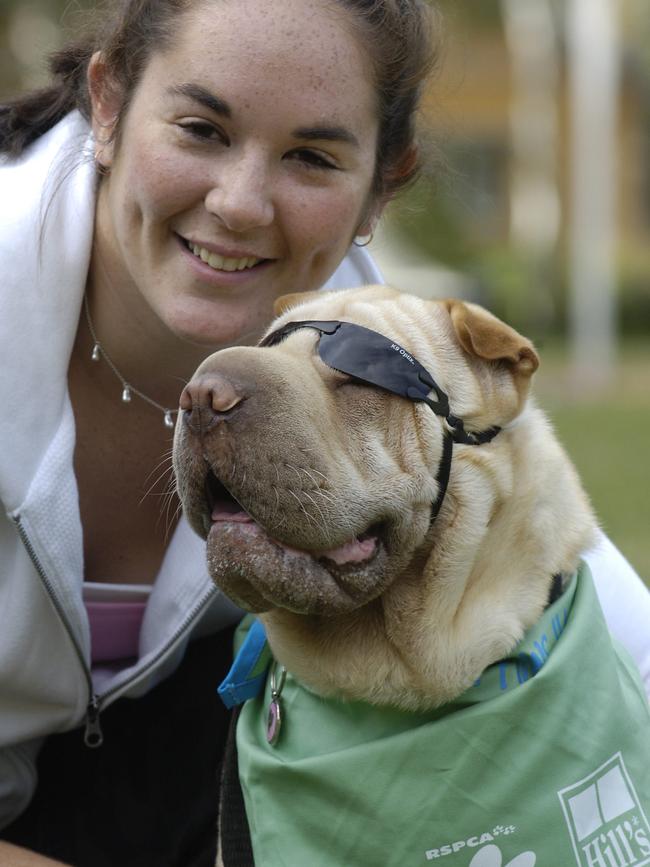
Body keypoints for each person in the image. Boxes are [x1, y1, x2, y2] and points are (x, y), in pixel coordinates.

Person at [0, 0, 647, 865]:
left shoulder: (401, 369)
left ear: (382, 184)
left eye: (311, 156)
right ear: (109, 107)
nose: (239, 203)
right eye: (200, 128)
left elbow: (568, 570)